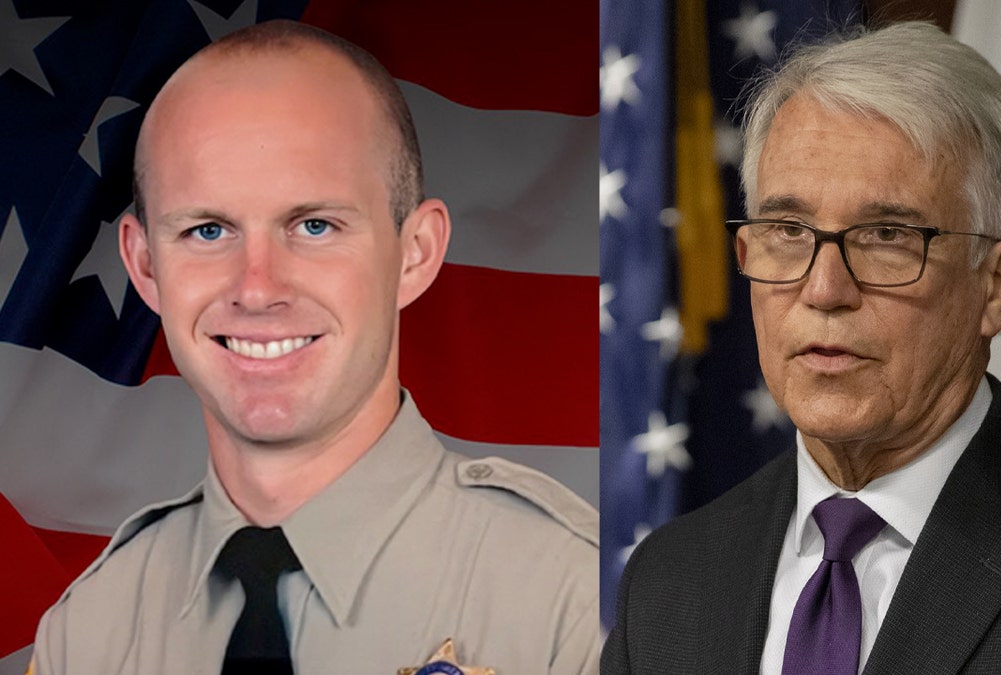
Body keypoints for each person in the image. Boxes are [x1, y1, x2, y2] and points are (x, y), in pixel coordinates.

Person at [601, 21, 1001, 674]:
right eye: (789, 230)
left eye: (886, 234)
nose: (824, 289)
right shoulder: (665, 579)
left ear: (999, 284)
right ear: (746, 254)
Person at [31, 20, 598, 675]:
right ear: (145, 265)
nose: (258, 286)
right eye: (208, 229)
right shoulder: (92, 628)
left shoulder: (575, 605)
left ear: (415, 254)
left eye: (314, 225)